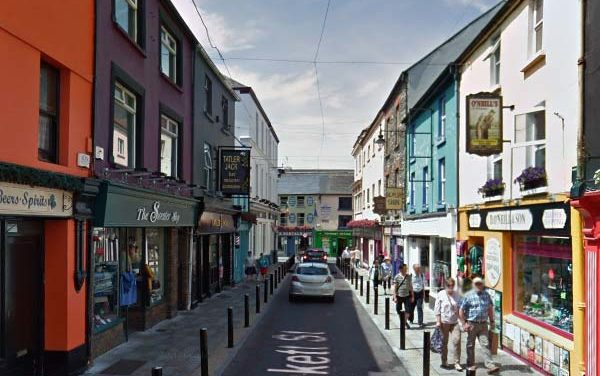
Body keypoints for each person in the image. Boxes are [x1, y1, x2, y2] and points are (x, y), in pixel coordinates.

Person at [459, 277, 500, 374]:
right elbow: (461, 310)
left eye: (480, 284)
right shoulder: (468, 296)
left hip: (483, 324)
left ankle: (490, 365)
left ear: (482, 285)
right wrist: (464, 323)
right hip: (472, 324)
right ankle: (470, 364)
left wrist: (492, 321)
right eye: (476, 284)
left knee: (485, 344)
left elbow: (490, 308)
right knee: (470, 345)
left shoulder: (486, 295)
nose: (478, 286)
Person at [434, 278, 463, 371]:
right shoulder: (441, 294)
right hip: (444, 322)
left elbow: (460, 309)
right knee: (444, 342)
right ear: (445, 286)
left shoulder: (457, 295)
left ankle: (457, 362)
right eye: (448, 286)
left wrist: (463, 321)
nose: (450, 288)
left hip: (455, 322)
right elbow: (437, 309)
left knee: (457, 341)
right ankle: (444, 361)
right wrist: (438, 321)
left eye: (452, 286)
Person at [392, 264, 414, 329]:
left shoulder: (408, 276)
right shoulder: (397, 277)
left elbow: (411, 287)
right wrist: (395, 297)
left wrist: (412, 296)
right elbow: (394, 288)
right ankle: (404, 323)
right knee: (398, 310)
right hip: (399, 296)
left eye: (406, 269)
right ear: (400, 269)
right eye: (404, 269)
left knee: (408, 311)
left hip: (407, 296)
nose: (406, 270)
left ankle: (403, 322)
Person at [410, 264, 426, 328]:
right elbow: (410, 286)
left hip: (420, 293)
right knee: (412, 307)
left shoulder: (422, 275)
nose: (419, 270)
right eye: (417, 268)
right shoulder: (411, 276)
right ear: (414, 269)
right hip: (413, 293)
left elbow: (423, 285)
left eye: (419, 268)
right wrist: (411, 295)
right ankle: (411, 319)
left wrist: (424, 294)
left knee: (419, 307)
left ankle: (420, 322)